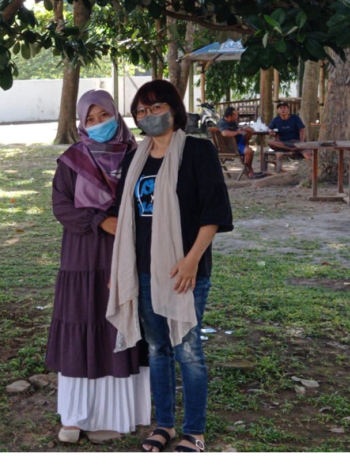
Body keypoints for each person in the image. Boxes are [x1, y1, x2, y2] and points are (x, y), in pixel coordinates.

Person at [106, 80, 233, 452]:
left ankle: (194, 431)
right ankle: (163, 425)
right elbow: (123, 217)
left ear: (174, 109)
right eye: (141, 112)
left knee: (188, 348)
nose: (149, 116)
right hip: (144, 270)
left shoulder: (197, 152)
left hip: (184, 270)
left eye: (156, 107)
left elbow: (214, 211)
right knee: (158, 348)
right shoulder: (135, 158)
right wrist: (121, 272)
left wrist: (192, 260)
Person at [46, 90, 150, 444]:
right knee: (82, 322)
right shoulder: (71, 160)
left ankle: (115, 415)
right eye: (89, 120)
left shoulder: (138, 156)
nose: (97, 125)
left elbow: (148, 200)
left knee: (115, 325)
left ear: (115, 115)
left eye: (103, 116)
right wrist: (98, 221)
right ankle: (75, 417)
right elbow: (61, 206)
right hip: (82, 255)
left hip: (125, 253)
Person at [217, 107, 259, 178]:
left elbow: (237, 129)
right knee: (250, 151)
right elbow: (224, 133)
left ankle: (245, 147)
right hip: (231, 146)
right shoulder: (222, 123)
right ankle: (249, 168)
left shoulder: (232, 122)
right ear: (229, 116)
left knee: (249, 130)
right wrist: (237, 132)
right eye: (235, 115)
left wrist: (241, 128)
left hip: (237, 142)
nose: (237, 117)